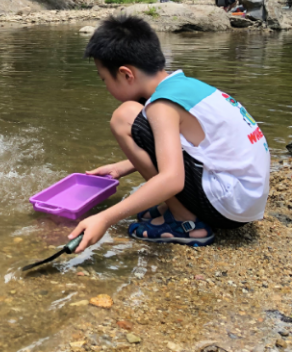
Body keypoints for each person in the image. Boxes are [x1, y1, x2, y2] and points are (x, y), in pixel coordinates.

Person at [67, 15, 269, 253]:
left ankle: (186, 223)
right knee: (136, 117)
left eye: (104, 80)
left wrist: (104, 218)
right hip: (247, 197)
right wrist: (125, 166)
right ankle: (181, 209)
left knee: (125, 117)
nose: (106, 87)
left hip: (230, 205)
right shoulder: (183, 86)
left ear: (126, 74)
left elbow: (173, 179)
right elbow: (192, 146)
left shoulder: (161, 106)